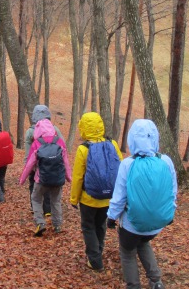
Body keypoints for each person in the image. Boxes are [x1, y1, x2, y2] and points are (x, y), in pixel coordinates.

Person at [107, 119, 177, 289]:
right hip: (157, 225)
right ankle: (156, 281)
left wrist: (111, 217)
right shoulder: (166, 161)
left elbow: (119, 197)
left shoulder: (127, 164)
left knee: (128, 252)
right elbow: (172, 191)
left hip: (131, 225)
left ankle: (133, 285)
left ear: (132, 139)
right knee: (143, 243)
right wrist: (170, 211)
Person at [70, 112, 123, 271]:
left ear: (84, 128)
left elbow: (78, 177)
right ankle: (97, 252)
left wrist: (74, 199)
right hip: (108, 198)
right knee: (100, 225)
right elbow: (120, 169)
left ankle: (95, 260)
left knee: (88, 227)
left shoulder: (83, 149)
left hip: (88, 198)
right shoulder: (112, 143)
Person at [19, 118, 72, 236]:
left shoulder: (37, 143)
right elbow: (66, 162)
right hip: (58, 179)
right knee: (56, 201)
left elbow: (30, 164)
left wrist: (22, 179)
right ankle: (57, 225)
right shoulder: (60, 142)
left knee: (36, 198)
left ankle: (40, 223)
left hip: (41, 179)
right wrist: (69, 177)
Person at [24, 105, 65, 216]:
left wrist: (27, 167)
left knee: (34, 185)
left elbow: (28, 153)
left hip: (35, 165)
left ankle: (36, 208)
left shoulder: (30, 132)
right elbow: (63, 146)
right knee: (49, 184)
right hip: (53, 164)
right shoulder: (55, 129)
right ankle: (47, 210)